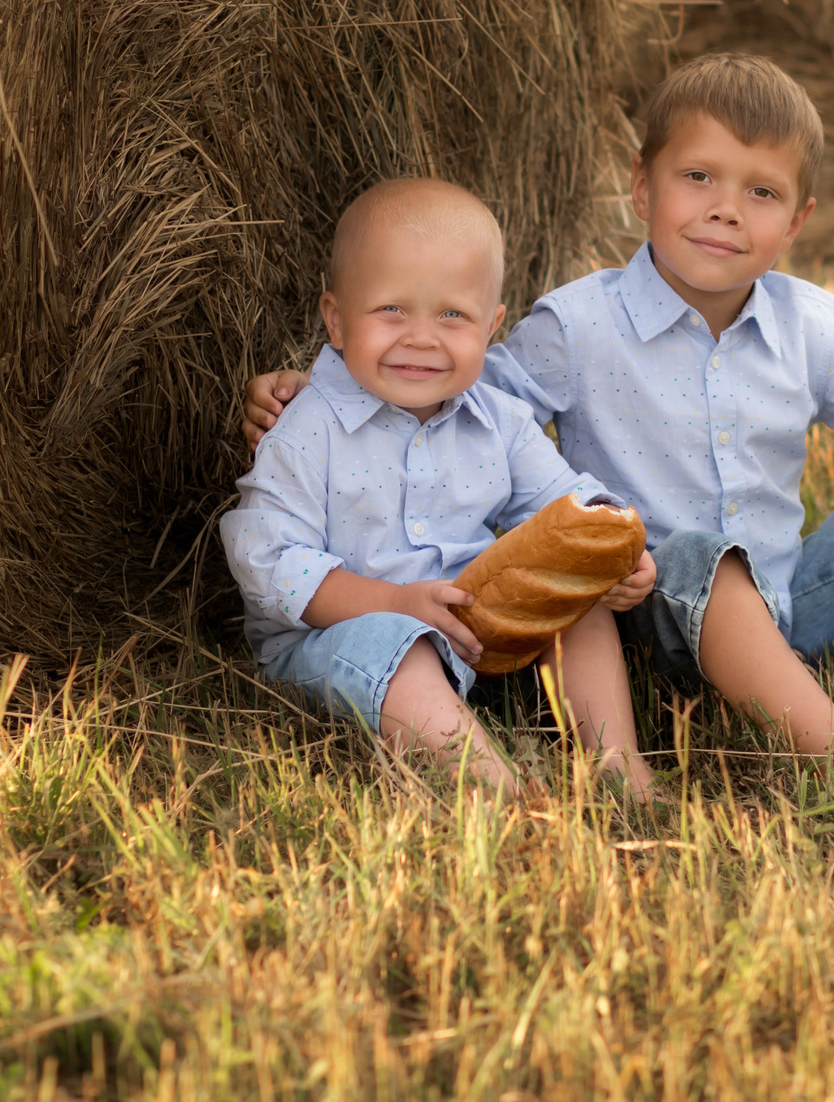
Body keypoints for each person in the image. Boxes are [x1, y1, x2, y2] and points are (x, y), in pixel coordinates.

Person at [244, 55, 834, 804]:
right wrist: (327, 375)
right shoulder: (576, 325)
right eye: (699, 178)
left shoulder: (815, 327)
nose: (727, 210)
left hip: (785, 602)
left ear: (796, 220)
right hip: (650, 612)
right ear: (642, 187)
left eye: (761, 192)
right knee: (695, 552)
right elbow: (458, 394)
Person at [220, 177, 658, 797]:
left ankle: (618, 764)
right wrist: (397, 605)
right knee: (403, 650)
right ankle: (500, 789)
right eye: (392, 309)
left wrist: (615, 543)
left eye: (453, 315)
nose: (421, 337)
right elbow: (271, 566)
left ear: (492, 326)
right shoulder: (305, 428)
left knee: (576, 600)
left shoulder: (500, 422)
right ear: (336, 320)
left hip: (471, 627)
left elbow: (568, 501)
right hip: (342, 640)